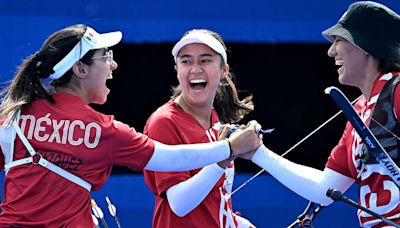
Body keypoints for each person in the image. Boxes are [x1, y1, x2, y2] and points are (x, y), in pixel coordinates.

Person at [0, 24, 262, 227]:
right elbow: (172, 158)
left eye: (206, 60)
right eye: (106, 56)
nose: (113, 65)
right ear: (80, 69)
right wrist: (228, 148)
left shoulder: (13, 118)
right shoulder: (103, 131)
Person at [242, 1, 400, 227]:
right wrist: (257, 153)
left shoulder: (397, 90)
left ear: (366, 45)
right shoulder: (360, 110)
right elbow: (325, 189)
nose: (330, 50)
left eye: (339, 40)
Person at [143, 29, 256, 228]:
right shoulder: (163, 122)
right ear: (177, 69)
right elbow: (180, 204)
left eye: (205, 60)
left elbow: (212, 202)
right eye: (186, 61)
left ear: (224, 70)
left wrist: (238, 223)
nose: (195, 69)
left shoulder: (214, 120)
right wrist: (228, 151)